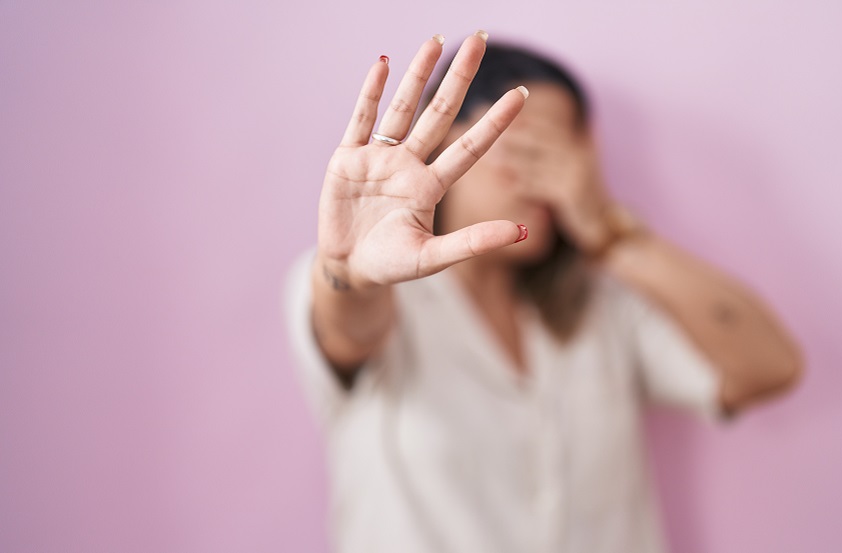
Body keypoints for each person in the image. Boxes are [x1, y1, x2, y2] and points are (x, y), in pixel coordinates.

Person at [285, 30, 803, 553]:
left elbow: (769, 366)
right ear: (451, 140)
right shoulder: (376, 292)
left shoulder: (603, 306)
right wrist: (348, 272)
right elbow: (346, 326)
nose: (554, 180)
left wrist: (606, 232)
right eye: (532, 147)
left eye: (569, 154)